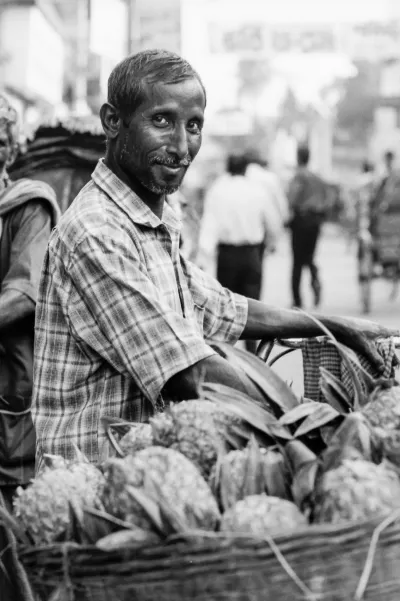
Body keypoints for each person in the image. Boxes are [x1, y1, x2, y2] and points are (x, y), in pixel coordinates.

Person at [32, 50, 397, 470]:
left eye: (194, 126)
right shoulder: (98, 231)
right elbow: (187, 371)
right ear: (113, 121)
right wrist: (309, 424)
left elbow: (219, 306)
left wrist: (334, 326)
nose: (182, 146)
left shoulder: (151, 218)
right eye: (162, 121)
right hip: (98, 485)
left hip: (159, 465)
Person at [0, 96, 60, 601]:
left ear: (8, 149)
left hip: (9, 398)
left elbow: (23, 296)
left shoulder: (27, 207)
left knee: (14, 541)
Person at [198, 153, 278, 353]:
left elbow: (210, 224)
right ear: (246, 169)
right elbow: (272, 221)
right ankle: (254, 356)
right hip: (252, 255)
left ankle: (226, 356)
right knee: (253, 308)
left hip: (227, 256)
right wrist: (271, 243)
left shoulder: (217, 190)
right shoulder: (257, 190)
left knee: (226, 308)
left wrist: (203, 256)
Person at [287, 144, 328, 309]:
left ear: (298, 157)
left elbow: (292, 199)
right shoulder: (317, 178)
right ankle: (316, 283)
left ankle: (297, 300)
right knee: (310, 257)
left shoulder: (299, 177)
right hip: (315, 221)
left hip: (301, 221)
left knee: (297, 261)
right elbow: (327, 199)